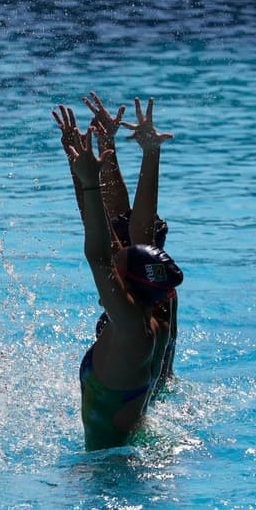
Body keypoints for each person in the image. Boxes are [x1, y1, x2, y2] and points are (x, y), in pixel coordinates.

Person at [56, 103, 182, 450]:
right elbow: (130, 235)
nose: (118, 248)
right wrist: (147, 154)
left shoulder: (129, 324)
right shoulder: (156, 303)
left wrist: (89, 182)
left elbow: (99, 252)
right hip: (131, 447)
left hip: (109, 475)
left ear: (125, 282)